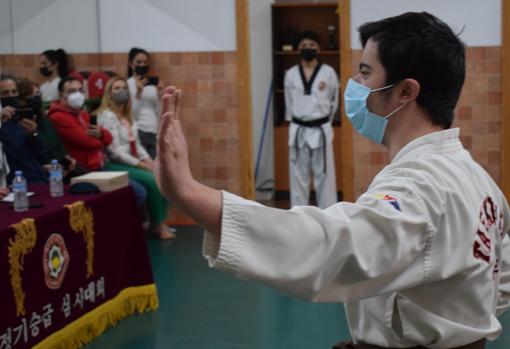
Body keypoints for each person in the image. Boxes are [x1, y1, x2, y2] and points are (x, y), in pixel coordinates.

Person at [153, 12, 510, 349]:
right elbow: (500, 272)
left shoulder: (422, 189)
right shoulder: (476, 178)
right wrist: (465, 315)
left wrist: (188, 193)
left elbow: (329, 246)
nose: (355, 85)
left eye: (366, 72)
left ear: (406, 92)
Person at [96, 76, 174, 240]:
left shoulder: (128, 115)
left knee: (165, 177)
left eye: (124, 87)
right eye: (116, 88)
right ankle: (158, 224)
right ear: (109, 94)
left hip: (130, 162)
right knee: (152, 180)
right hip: (112, 165)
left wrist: (151, 163)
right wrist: (140, 165)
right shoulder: (106, 116)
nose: (121, 91)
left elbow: (137, 145)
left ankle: (158, 221)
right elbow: (114, 152)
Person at [284, 30, 339, 209]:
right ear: (299, 49)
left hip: (321, 128)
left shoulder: (328, 73)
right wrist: (293, 119)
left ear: (319, 49)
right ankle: (299, 216)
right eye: (304, 46)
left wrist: (325, 121)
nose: (308, 49)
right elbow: (288, 102)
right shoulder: (291, 74)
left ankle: (329, 215)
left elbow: (334, 101)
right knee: (298, 176)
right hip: (299, 128)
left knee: (325, 175)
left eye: (312, 46)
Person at [16, 78, 80, 180]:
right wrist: (43, 168)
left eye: (37, 94)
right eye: (30, 96)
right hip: (39, 177)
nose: (35, 98)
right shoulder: (18, 125)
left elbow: (57, 145)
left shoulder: (45, 120)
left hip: (60, 172)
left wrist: (66, 158)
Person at [0, 75, 49, 184]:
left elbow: (42, 156)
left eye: (14, 92)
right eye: (5, 93)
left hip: (38, 180)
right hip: (15, 184)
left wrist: (33, 135)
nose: (11, 96)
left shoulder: (20, 120)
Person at [127, 47, 161, 159]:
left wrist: (160, 96)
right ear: (131, 64)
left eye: (145, 62)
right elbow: (131, 115)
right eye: (138, 62)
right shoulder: (126, 85)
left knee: (158, 166)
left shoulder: (151, 85)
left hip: (154, 130)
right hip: (139, 130)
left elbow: (157, 112)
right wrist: (138, 93)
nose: (142, 65)